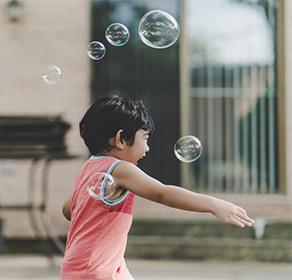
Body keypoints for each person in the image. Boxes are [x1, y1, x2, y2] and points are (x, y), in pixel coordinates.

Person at [60, 95, 255, 280]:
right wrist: (213, 204)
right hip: (94, 270)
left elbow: (68, 210)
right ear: (120, 139)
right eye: (145, 138)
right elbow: (163, 193)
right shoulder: (120, 169)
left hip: (91, 264)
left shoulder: (89, 167)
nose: (147, 148)